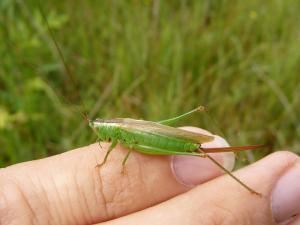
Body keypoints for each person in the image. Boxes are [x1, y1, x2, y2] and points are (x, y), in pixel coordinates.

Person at [0, 127, 299, 225]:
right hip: (147, 138)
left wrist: (105, 162)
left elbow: (124, 150)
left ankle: (240, 175)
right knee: (201, 155)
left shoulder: (118, 135)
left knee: (200, 152)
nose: (98, 132)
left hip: (157, 138)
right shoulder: (112, 133)